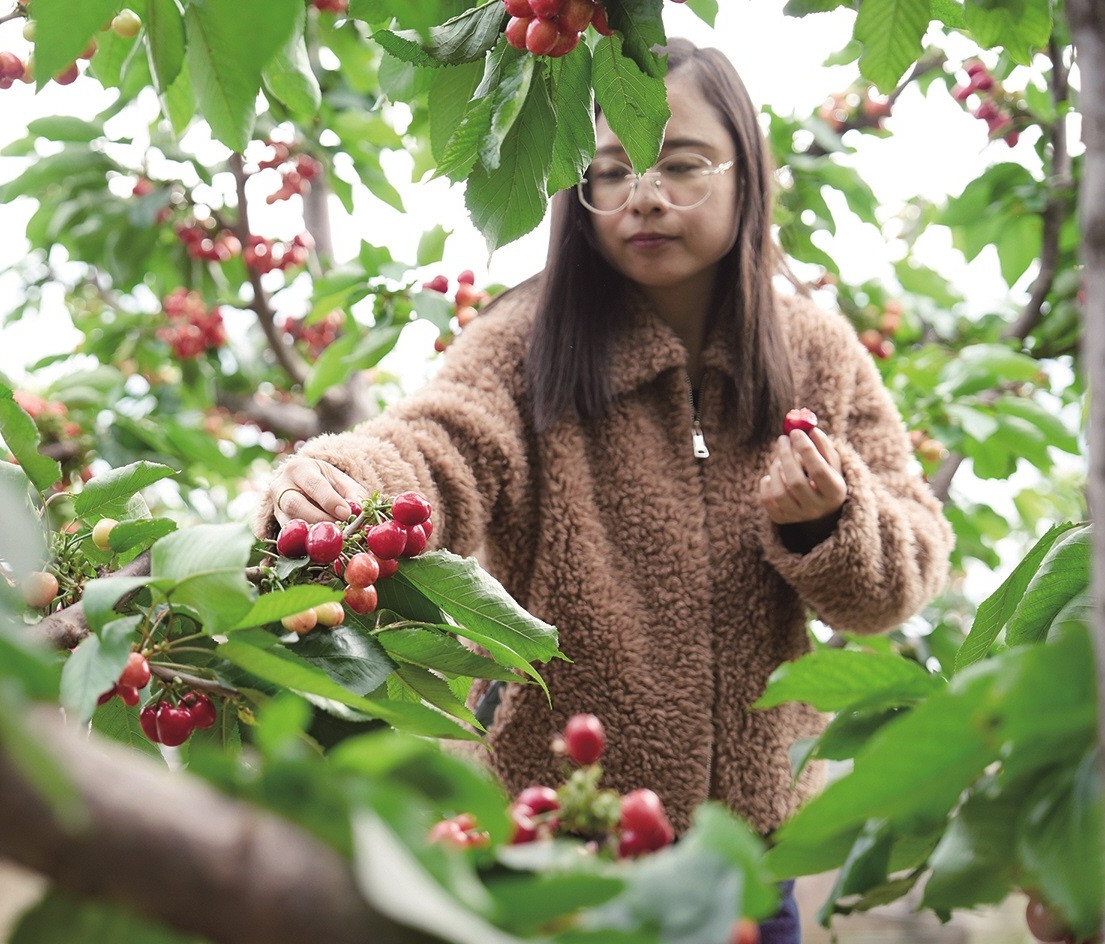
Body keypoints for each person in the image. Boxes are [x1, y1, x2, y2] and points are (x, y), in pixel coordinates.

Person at [258, 37, 952, 942]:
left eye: (681, 164)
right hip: (557, 843)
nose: (644, 195)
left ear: (747, 173)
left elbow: (904, 574)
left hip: (745, 862)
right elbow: (438, 446)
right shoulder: (524, 345)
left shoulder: (814, 354)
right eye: (611, 171)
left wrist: (831, 519)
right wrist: (341, 486)